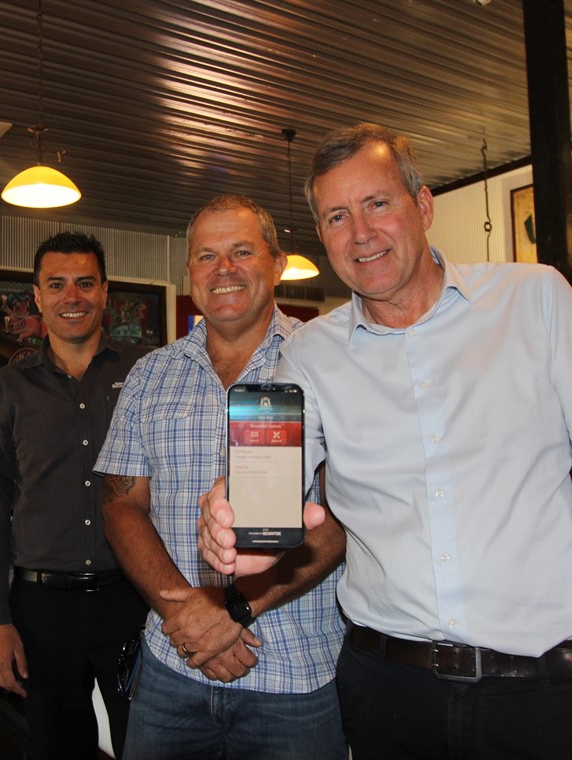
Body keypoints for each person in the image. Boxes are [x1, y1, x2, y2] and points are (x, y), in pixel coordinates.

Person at [198, 124, 572, 760]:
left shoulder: (536, 301)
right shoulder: (310, 353)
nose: (361, 233)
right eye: (336, 216)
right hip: (387, 694)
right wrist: (230, 518)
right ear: (321, 237)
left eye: (378, 203)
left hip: (544, 695)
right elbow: (271, 492)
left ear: (424, 206)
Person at [94, 195, 347, 759]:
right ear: (189, 273)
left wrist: (235, 610)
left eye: (240, 251)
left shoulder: (329, 364)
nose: (223, 270)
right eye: (206, 256)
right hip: (173, 663)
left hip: (294, 676)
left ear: (277, 263)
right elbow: (119, 504)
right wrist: (190, 612)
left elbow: (347, 516)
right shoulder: (149, 375)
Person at [0, 232, 150, 759]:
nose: (73, 296)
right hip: (40, 610)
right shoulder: (7, 389)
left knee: (148, 742)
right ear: (38, 297)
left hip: (132, 600)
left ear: (105, 291)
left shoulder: (145, 374)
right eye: (57, 284)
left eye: (85, 283)